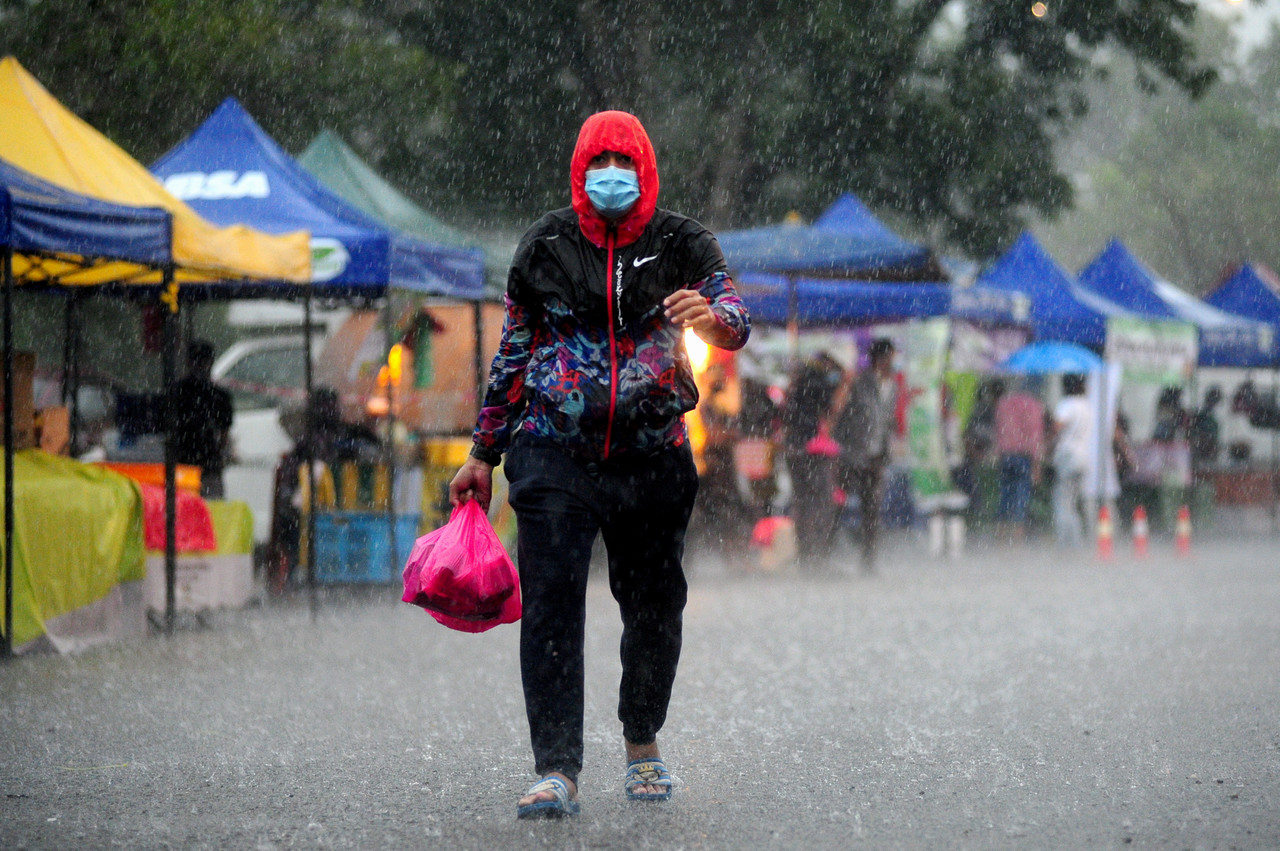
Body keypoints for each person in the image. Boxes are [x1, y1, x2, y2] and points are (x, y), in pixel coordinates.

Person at [447, 110, 750, 819]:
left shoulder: (683, 242)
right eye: (597, 161)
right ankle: (557, 767)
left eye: (624, 161)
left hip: (653, 456)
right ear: (579, 169)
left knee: (654, 606)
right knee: (550, 602)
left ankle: (642, 741)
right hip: (554, 453)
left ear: (644, 170)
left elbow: (735, 315)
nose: (609, 173)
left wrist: (711, 318)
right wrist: (482, 452)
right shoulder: (544, 246)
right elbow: (514, 354)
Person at [830, 338, 898, 571]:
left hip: (876, 458)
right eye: (890, 357)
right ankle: (825, 552)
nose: (893, 363)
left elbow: (886, 422)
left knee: (871, 511)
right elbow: (843, 419)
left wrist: (883, 453)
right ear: (880, 358)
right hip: (852, 456)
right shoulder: (859, 384)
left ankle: (868, 560)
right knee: (838, 505)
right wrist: (843, 449)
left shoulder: (892, 386)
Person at [780, 352, 844, 564]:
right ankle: (819, 552)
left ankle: (805, 552)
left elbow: (787, 415)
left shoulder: (796, 385)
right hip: (813, 449)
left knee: (802, 500)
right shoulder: (819, 382)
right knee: (821, 501)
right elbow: (830, 410)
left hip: (793, 448)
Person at [170, 339, 233, 499]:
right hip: (206, 465)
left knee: (184, 510)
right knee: (210, 511)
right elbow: (224, 435)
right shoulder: (219, 396)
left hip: (184, 465)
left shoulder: (177, 393)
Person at [993, 376, 1045, 542]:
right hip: (1023, 457)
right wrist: (1036, 465)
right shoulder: (1034, 405)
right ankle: (1016, 539)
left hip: (1005, 455)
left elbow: (998, 430)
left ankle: (1000, 537)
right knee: (1020, 498)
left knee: (1005, 496)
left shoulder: (1003, 402)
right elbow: (1035, 437)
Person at [1051, 373, 1093, 548]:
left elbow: (1057, 427)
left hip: (1068, 457)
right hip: (1084, 457)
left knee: (1063, 502)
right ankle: (1079, 540)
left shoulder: (1066, 404)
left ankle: (1067, 543)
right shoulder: (1087, 405)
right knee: (1074, 501)